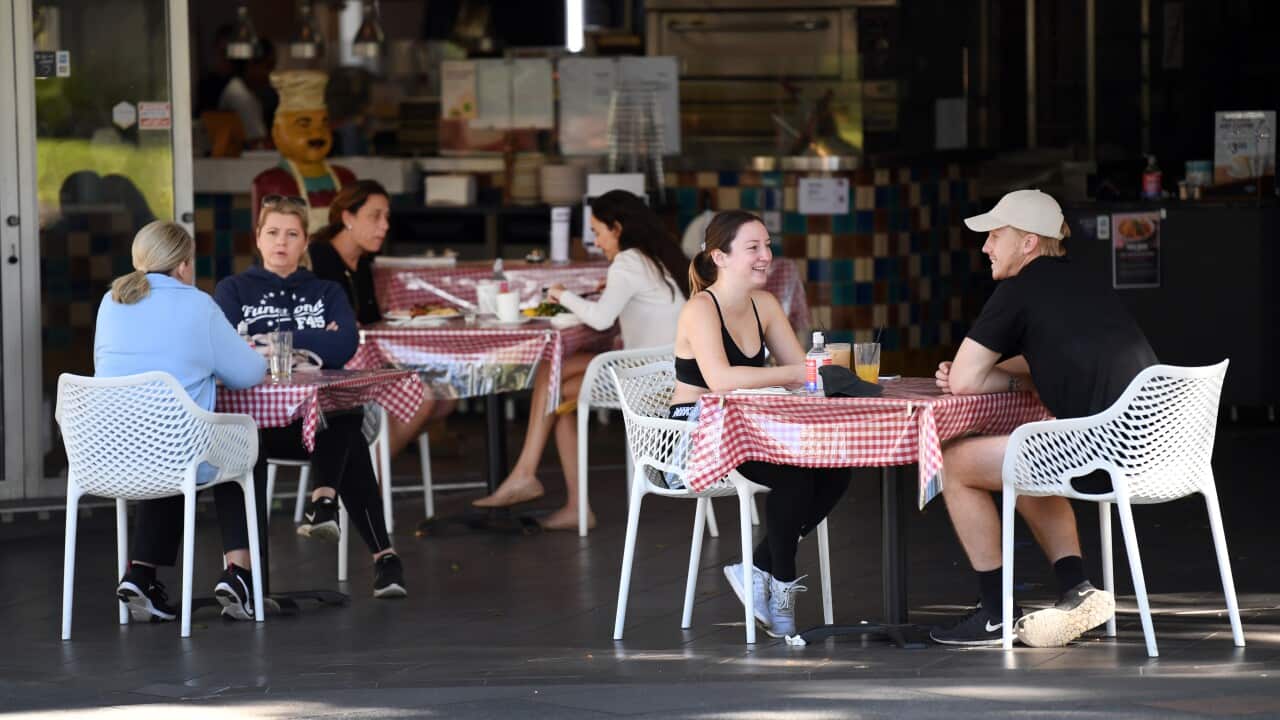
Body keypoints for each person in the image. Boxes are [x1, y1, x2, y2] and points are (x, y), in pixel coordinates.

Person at [929, 189, 1157, 646]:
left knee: (955, 462)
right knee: (1026, 448)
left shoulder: (1018, 289)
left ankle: (995, 614)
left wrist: (981, 374)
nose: (985, 248)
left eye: (995, 236)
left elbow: (964, 382)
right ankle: (1078, 588)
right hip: (1158, 446)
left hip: (1104, 453)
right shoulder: (1085, 280)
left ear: (1029, 242)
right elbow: (1048, 363)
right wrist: (998, 376)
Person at [668, 210, 850, 638]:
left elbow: (803, 373)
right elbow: (722, 381)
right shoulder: (700, 308)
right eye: (753, 248)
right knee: (794, 475)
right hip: (693, 437)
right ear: (720, 257)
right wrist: (798, 374)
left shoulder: (764, 304)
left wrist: (819, 373)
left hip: (748, 429)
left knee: (837, 465)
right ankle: (782, 594)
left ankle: (758, 567)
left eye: (767, 245)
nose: (766, 255)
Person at [214, 195, 406, 599]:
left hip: (316, 427)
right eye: (272, 233)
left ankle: (325, 507)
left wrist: (269, 340)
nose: (280, 242)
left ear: (305, 243)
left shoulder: (326, 289)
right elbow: (229, 347)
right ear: (258, 239)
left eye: (291, 234)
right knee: (346, 423)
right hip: (260, 427)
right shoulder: (233, 289)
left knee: (341, 407)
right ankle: (377, 550)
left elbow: (345, 346)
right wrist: (312, 341)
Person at [471, 190, 690, 530]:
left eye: (598, 232)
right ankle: (558, 496)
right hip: (666, 374)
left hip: (645, 381)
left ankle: (529, 476)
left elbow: (601, 320)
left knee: (555, 386)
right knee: (554, 381)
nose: (597, 241)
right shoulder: (658, 258)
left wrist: (560, 293)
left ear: (616, 228)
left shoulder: (628, 262)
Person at [95, 221, 267, 622]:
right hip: (175, 453)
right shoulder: (197, 304)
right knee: (239, 446)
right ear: (185, 264)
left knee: (169, 441)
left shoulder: (111, 302)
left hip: (109, 453)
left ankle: (140, 574)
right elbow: (249, 373)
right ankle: (239, 573)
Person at [310, 179, 456, 455]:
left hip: (366, 365)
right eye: (375, 216)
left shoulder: (362, 262)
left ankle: (365, 473)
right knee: (423, 397)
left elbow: (369, 320)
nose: (385, 226)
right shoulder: (318, 258)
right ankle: (365, 484)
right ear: (347, 217)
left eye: (386, 217)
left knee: (446, 397)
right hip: (329, 371)